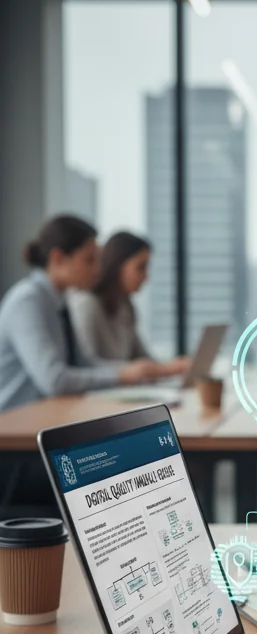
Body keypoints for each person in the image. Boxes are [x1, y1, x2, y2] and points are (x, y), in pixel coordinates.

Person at [0, 216, 182, 507]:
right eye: (89, 260)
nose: (98, 269)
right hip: (15, 451)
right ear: (59, 258)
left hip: (46, 434)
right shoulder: (28, 302)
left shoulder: (58, 301)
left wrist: (130, 372)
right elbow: (55, 380)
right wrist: (124, 375)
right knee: (124, 469)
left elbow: (85, 363)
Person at [68, 230, 187, 369]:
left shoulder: (125, 305)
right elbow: (86, 366)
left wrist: (171, 367)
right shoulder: (86, 304)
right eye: (140, 267)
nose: (146, 277)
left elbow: (143, 358)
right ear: (118, 265)